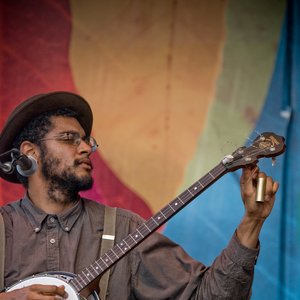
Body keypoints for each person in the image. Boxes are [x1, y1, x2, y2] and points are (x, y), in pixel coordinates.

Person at [0, 91, 279, 300]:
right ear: (30, 152)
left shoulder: (124, 230)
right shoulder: (3, 230)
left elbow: (208, 296)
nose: (86, 147)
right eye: (69, 139)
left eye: (86, 140)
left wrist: (251, 222)